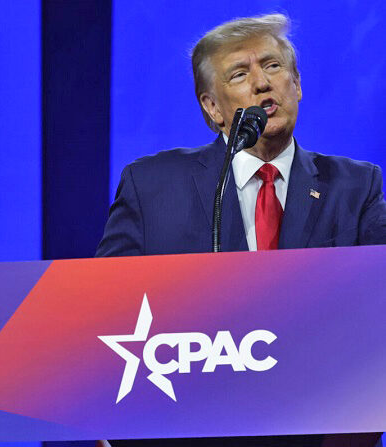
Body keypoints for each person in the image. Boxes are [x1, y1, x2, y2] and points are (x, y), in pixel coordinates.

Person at [97, 13, 386, 447]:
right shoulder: (153, 185)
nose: (262, 83)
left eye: (272, 66)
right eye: (239, 73)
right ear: (212, 107)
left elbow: (375, 312)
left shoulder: (355, 185)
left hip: (313, 434)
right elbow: (104, 310)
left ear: (297, 85)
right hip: (185, 433)